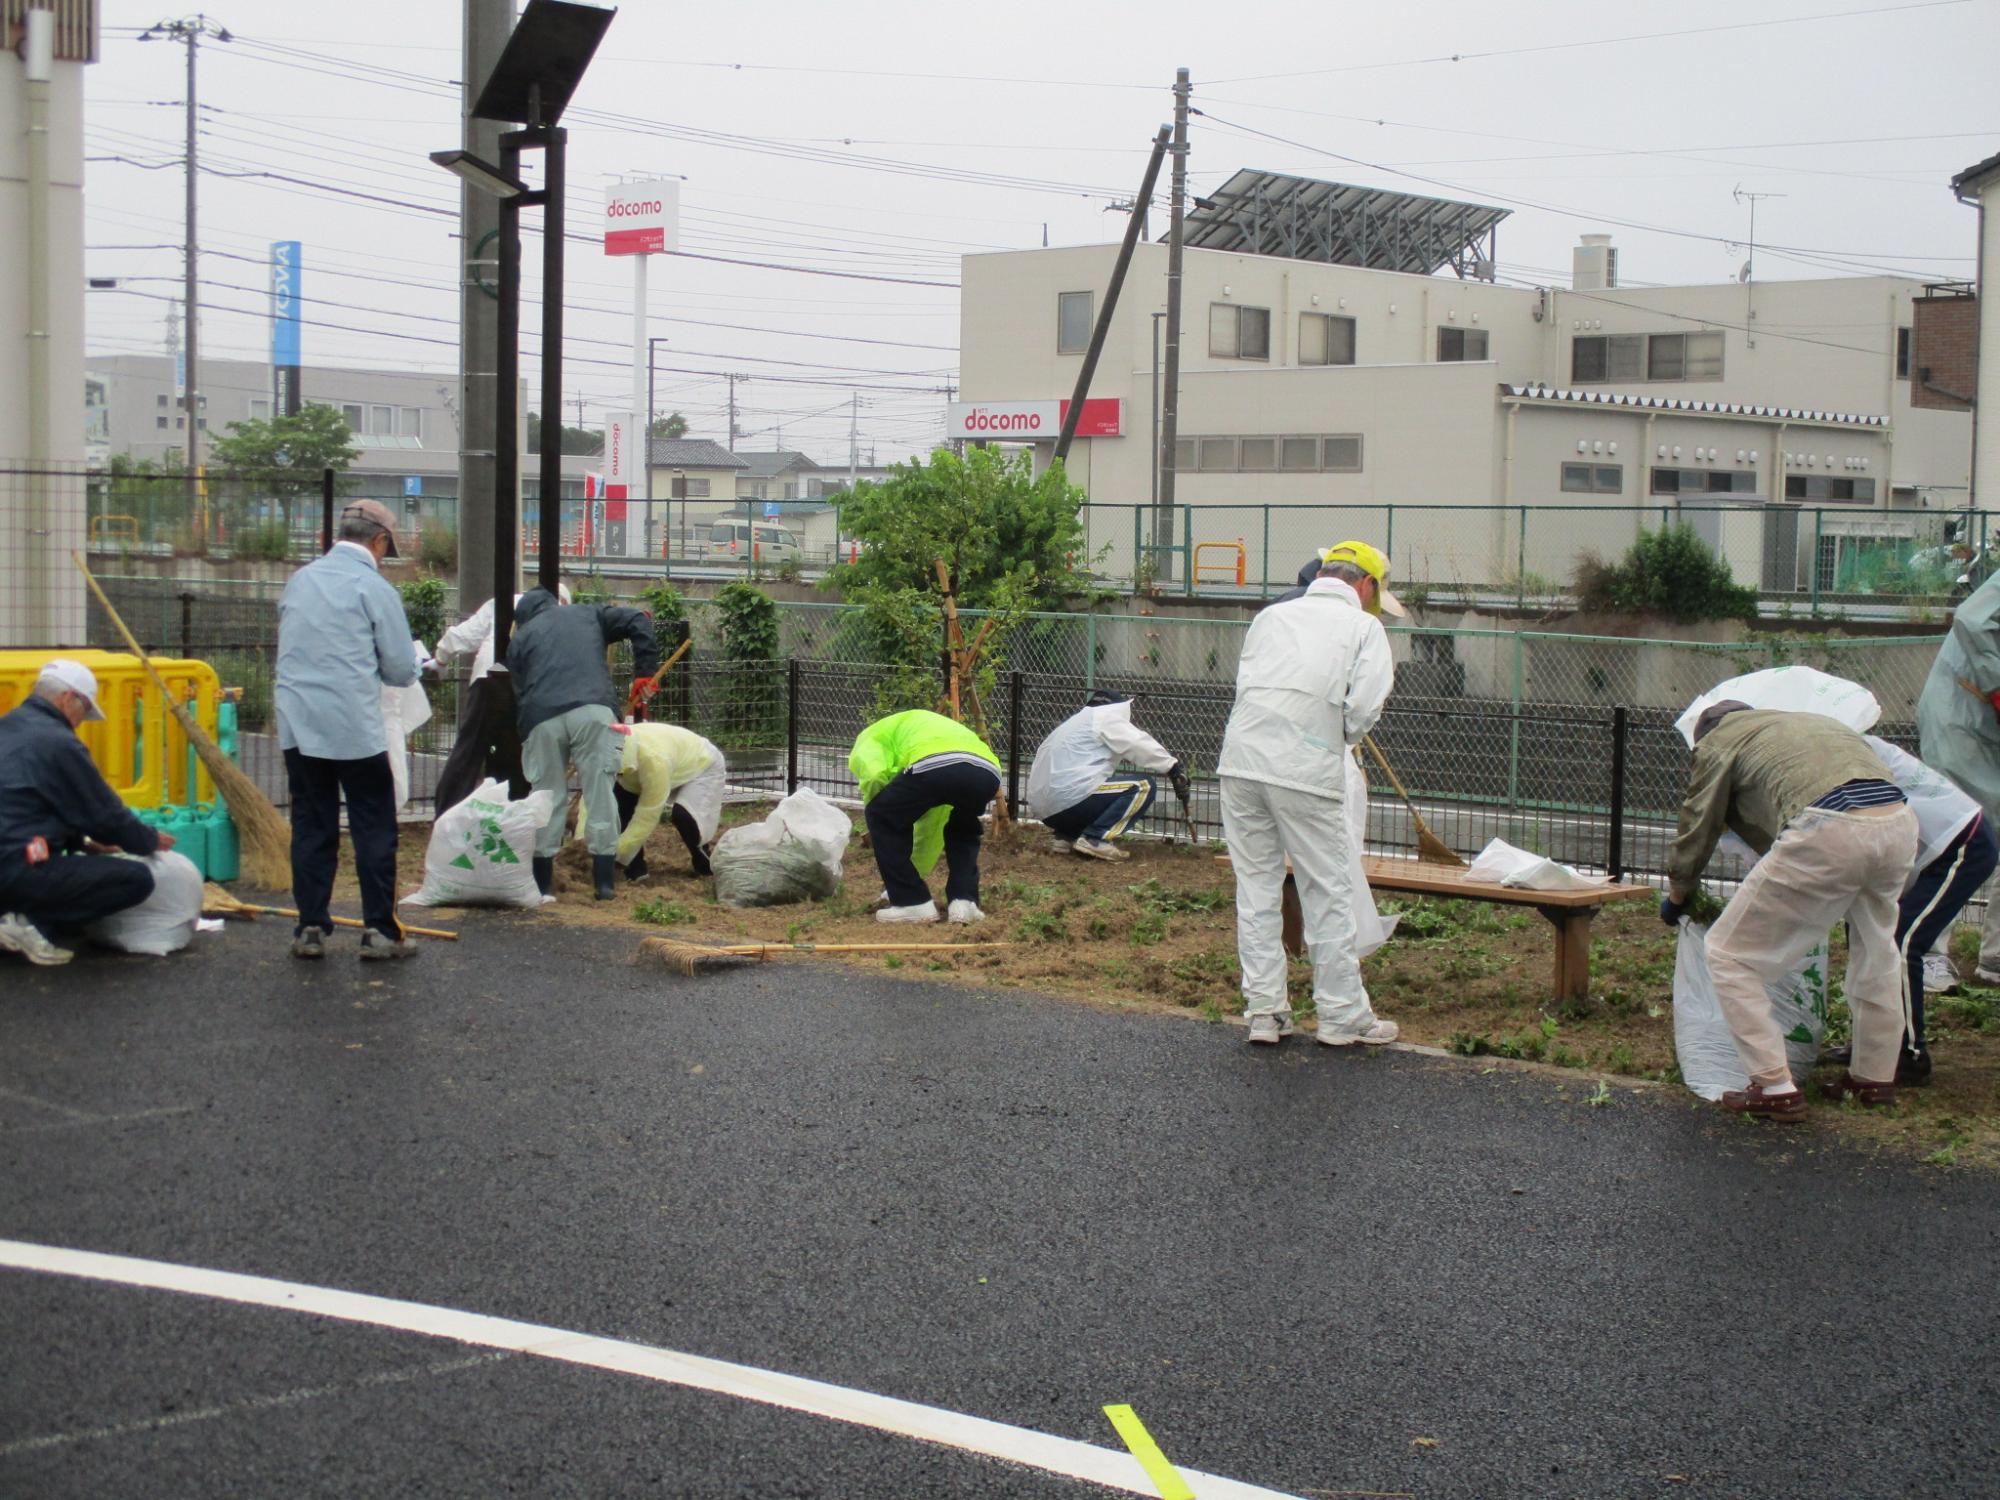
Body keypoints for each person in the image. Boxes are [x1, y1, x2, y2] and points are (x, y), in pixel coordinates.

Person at [1661, 703, 1919, 1119]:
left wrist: (1679, 893)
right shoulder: (1808, 721)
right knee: (1877, 952)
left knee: (1728, 954)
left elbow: (1698, 822)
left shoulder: (1719, 742)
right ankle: (1873, 1080)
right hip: (1898, 823)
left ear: (1704, 733)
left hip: (1830, 828)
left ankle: (1773, 1085)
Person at [1219, 541, 1402, 1047]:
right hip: (1305, 768)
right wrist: (1330, 737)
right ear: (1365, 586)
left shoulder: (1271, 617)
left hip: (1242, 761)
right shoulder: (1366, 629)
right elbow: (1363, 709)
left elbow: (1247, 685)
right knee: (1328, 891)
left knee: (1256, 890)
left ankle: (1264, 1013)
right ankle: (1342, 1017)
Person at [276, 499, 419, 962]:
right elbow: (400, 669)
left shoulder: (300, 581)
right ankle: (379, 930)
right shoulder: (373, 588)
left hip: (299, 723)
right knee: (373, 826)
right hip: (353, 726)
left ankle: (310, 927)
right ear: (379, 542)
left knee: (311, 825)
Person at [1814, 736, 1997, 1087]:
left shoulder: (1851, 747)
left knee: (1901, 941)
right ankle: (1872, 1042)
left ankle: (1910, 1055)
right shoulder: (1833, 749)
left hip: (1960, 846)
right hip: (1914, 850)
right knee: (1864, 936)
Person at [0, 660, 172, 967]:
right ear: (68, 698)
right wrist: (148, 840)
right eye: (84, 711)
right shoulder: (60, 743)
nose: (80, 723)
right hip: (17, 867)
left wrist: (81, 843)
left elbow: (29, 804)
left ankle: (12, 918)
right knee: (135, 880)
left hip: (10, 854)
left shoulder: (7, 726)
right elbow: (104, 814)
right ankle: (27, 921)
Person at [507, 586, 660, 901]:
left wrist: (529, 740)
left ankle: (542, 885)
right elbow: (638, 618)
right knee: (600, 794)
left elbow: (520, 696)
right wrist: (645, 673)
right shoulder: (587, 613)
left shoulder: (519, 640)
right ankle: (604, 886)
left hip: (541, 718)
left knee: (546, 796)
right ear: (556, 603)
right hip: (593, 711)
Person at [1915, 567, 2000, 982]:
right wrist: (1998, 682)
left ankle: (1995, 958)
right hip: (1960, 713)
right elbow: (1971, 618)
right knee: (1956, 831)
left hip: (1989, 721)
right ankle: (1926, 950)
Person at [849, 709, 1001, 924]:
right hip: (987, 770)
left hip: (933, 763)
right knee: (962, 831)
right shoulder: (917, 725)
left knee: (881, 814)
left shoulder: (868, 738)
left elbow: (874, 777)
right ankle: (964, 902)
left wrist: (880, 813)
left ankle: (911, 902)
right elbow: (933, 827)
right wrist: (914, 871)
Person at [428, 584, 570, 813]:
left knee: (468, 751)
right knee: (517, 758)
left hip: (488, 680)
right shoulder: (562, 617)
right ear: (563, 601)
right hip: (526, 691)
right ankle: (510, 816)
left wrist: (441, 658)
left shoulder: (503, 602)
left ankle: (446, 815)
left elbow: (462, 636)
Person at [1025, 690, 1185, 861]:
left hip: (1044, 810)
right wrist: (1172, 766)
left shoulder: (1073, 724)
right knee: (1143, 786)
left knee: (1093, 785)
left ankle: (1065, 836)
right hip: (1071, 799)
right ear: (1120, 707)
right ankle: (1096, 839)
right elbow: (1137, 743)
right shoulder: (1105, 717)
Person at [599, 721, 728, 880]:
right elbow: (595, 797)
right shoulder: (608, 750)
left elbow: (647, 815)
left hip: (702, 764)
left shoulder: (654, 760)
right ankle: (635, 870)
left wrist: (620, 853)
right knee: (620, 807)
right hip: (650, 764)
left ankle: (704, 863)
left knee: (685, 817)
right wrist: (585, 838)